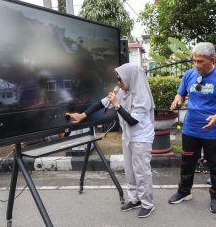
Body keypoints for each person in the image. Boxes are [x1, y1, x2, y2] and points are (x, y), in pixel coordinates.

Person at [66, 63, 155, 218]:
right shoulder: (122, 91)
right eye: (117, 79)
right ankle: (135, 199)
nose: (118, 83)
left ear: (130, 79)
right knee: (129, 169)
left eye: (121, 80)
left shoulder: (142, 96)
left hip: (141, 138)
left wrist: (117, 105)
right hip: (128, 136)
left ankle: (147, 203)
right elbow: (102, 103)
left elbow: (133, 120)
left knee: (141, 171)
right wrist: (82, 115)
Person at [167, 42, 216, 213]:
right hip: (191, 128)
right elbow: (180, 93)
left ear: (213, 59)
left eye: (200, 61)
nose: (196, 65)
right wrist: (178, 99)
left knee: (215, 165)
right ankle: (184, 191)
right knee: (187, 162)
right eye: (194, 61)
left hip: (214, 130)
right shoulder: (189, 74)